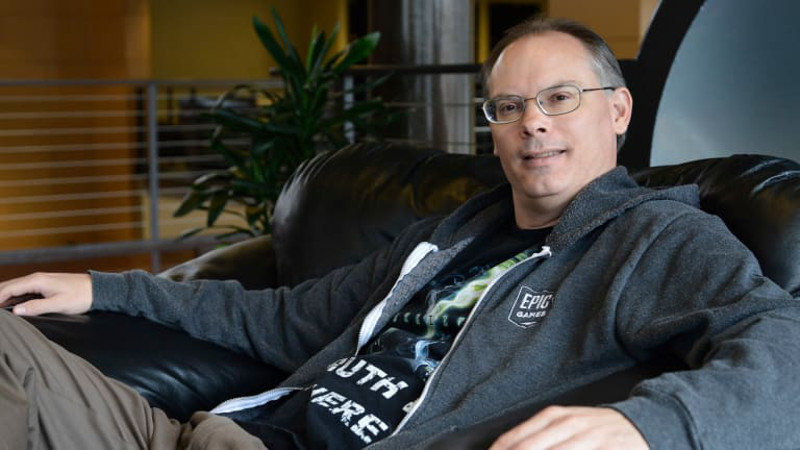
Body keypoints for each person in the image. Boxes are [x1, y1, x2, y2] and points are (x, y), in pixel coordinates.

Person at [1, 16, 799, 450]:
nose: (533, 124)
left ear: (617, 110)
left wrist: (647, 424)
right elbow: (281, 316)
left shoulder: (657, 237)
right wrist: (103, 287)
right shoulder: (453, 234)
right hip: (200, 433)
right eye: (509, 107)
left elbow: (781, 346)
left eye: (560, 98)